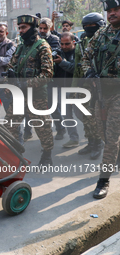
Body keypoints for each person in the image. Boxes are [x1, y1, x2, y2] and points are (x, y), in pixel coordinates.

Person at [81, 0, 120, 199]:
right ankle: (115, 155)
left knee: (111, 139)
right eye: (110, 11)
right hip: (101, 94)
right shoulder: (101, 33)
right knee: (103, 133)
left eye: (116, 9)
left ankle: (103, 180)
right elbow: (86, 57)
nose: (112, 13)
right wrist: (89, 73)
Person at [4, 14, 54, 168]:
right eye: (19, 28)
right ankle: (13, 155)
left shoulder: (42, 46)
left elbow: (47, 73)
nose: (20, 31)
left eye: (24, 28)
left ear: (32, 28)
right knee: (9, 126)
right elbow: (10, 67)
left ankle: (47, 156)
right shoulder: (20, 46)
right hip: (19, 96)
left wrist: (24, 85)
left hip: (36, 96)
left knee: (42, 127)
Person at [72, 12, 106, 159]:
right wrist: (73, 88)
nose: (89, 29)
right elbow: (77, 68)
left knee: (96, 117)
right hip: (84, 84)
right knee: (86, 116)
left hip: (101, 85)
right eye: (86, 26)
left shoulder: (105, 40)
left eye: (92, 26)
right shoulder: (82, 41)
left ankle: (98, 144)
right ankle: (91, 142)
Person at [53, 32, 79, 148]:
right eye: (62, 44)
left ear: (73, 42)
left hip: (76, 88)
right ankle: (73, 138)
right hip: (61, 89)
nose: (64, 46)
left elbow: (75, 69)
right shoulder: (58, 52)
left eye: (67, 44)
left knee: (82, 115)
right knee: (66, 116)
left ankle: (94, 138)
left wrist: (61, 62)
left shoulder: (78, 52)